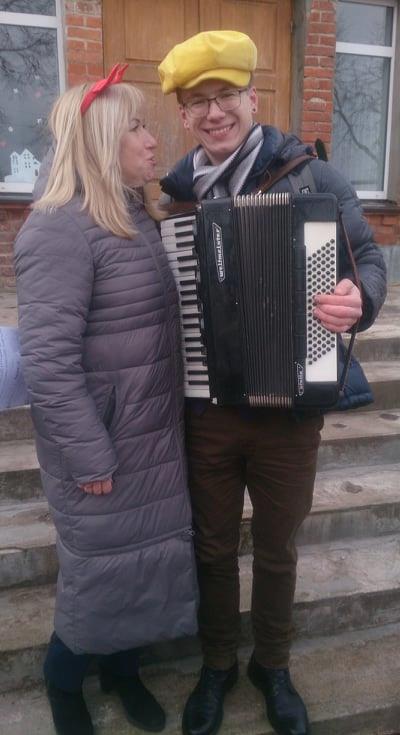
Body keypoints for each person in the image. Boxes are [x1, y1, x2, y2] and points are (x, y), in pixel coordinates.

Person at [157, 30, 387, 735]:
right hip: (208, 411)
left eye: (226, 94)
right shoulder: (174, 200)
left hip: (291, 410)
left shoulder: (313, 179)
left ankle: (274, 664)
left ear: (253, 97)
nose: (214, 111)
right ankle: (218, 664)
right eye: (199, 102)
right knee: (213, 546)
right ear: (184, 116)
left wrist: (358, 299)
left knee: (278, 548)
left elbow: (368, 258)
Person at [14, 65, 198, 735]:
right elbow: (48, 362)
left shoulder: (132, 215)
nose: (153, 140)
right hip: (103, 447)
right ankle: (63, 680)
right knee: (98, 577)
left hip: (150, 436)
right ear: (100, 142)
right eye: (137, 128)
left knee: (140, 570)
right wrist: (90, 451)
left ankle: (124, 671)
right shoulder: (57, 230)